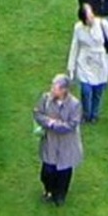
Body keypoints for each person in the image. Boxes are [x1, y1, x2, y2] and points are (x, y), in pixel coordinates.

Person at [33, 75, 83, 206]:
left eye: (54, 88)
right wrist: (49, 122)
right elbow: (38, 114)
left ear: (63, 90)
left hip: (67, 143)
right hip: (50, 141)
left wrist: (55, 125)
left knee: (64, 172)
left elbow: (71, 125)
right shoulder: (45, 99)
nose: (51, 90)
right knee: (47, 171)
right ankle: (49, 189)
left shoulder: (74, 105)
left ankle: (60, 195)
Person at [67, 3, 108, 123]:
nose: (91, 18)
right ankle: (86, 113)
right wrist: (71, 67)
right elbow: (74, 47)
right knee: (86, 90)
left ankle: (94, 114)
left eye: (92, 15)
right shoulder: (78, 28)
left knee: (98, 90)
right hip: (85, 61)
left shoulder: (102, 24)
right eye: (89, 17)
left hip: (100, 60)